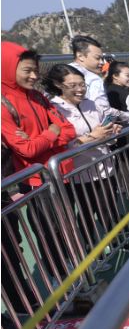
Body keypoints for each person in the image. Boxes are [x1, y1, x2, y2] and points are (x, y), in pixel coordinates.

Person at [1, 42, 78, 287]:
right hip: (34, 180)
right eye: (27, 70)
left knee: (66, 226)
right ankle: (58, 280)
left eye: (35, 70)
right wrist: (50, 133)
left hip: (59, 171)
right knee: (48, 231)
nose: (34, 76)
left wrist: (46, 136)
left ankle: (70, 272)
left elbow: (69, 129)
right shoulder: (4, 104)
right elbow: (26, 149)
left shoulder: (38, 96)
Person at [46, 64, 121, 261]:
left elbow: (105, 133)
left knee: (108, 208)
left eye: (82, 84)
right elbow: (61, 146)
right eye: (73, 85)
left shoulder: (90, 104)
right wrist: (91, 137)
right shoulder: (54, 109)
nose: (80, 89)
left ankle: (115, 244)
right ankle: (90, 253)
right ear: (57, 84)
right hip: (79, 174)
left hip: (105, 167)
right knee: (87, 215)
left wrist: (111, 132)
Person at [69, 35, 129, 130]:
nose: (102, 62)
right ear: (80, 56)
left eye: (102, 58)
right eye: (97, 58)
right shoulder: (93, 79)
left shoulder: (65, 74)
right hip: (95, 135)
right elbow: (105, 111)